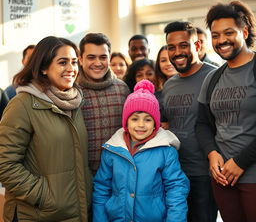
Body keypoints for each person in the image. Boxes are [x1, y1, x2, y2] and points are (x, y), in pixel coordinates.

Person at [0, 36, 92, 222]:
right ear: (43, 68)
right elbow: (5, 165)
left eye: (74, 62)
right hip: (37, 214)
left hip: (76, 210)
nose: (71, 69)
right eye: (62, 62)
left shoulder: (75, 102)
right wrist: (45, 196)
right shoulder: (22, 104)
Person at [93, 80, 189, 222]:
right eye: (135, 119)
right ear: (126, 122)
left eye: (148, 120)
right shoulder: (112, 150)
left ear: (156, 123)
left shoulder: (166, 151)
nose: (141, 125)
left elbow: (176, 189)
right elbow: (102, 189)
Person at [196, 0, 256, 222]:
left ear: (244, 31)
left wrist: (240, 161)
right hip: (222, 179)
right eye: (215, 35)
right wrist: (212, 153)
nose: (221, 41)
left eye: (228, 33)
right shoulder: (212, 78)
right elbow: (202, 124)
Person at [161, 21, 218, 222]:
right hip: (173, 174)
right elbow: (167, 124)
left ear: (197, 46)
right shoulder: (169, 84)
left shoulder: (214, 77)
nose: (177, 52)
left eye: (184, 45)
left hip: (204, 175)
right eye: (171, 47)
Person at [78, 33, 130, 176]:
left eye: (103, 57)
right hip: (83, 175)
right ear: (80, 59)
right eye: (91, 57)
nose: (98, 63)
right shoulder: (72, 91)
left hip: (119, 173)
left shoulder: (122, 89)